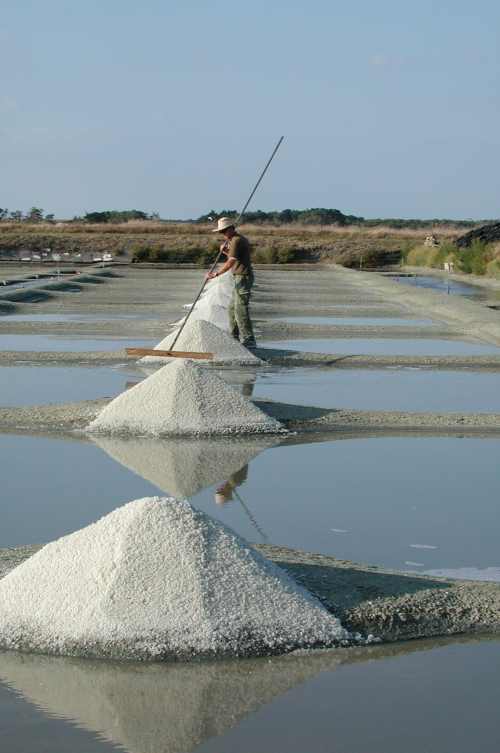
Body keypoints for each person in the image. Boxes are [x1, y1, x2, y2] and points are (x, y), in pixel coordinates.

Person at [206, 217, 256, 349]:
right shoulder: (233, 240)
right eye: (220, 232)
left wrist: (216, 274)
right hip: (238, 277)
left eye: (223, 231)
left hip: (243, 277)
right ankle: (234, 338)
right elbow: (233, 256)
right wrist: (225, 251)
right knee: (232, 309)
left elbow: (231, 261)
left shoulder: (237, 240)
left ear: (230, 229)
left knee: (240, 309)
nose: (222, 234)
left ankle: (249, 340)